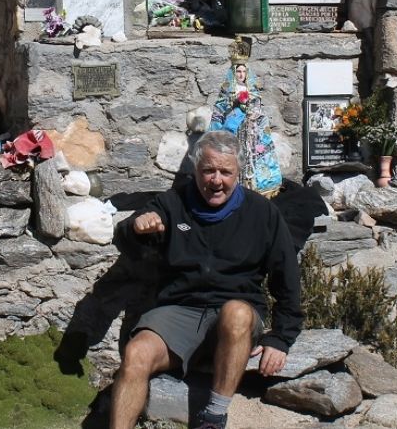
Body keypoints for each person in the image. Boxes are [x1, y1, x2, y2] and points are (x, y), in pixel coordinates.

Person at [110, 131, 303, 429]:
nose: (216, 180)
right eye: (208, 170)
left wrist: (281, 338)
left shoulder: (262, 212)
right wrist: (136, 227)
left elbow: (286, 276)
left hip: (236, 316)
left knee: (236, 313)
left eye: (225, 172)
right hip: (179, 310)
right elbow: (127, 240)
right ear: (195, 170)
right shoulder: (173, 203)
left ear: (238, 172)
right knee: (135, 354)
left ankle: (213, 417)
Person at [209, 40, 282, 198]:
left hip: (250, 133)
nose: (241, 75)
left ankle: (252, 188)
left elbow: (258, 111)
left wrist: (252, 113)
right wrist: (233, 108)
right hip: (233, 132)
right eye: (238, 72)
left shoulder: (253, 91)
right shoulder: (226, 92)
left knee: (251, 159)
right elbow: (219, 112)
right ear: (233, 73)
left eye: (243, 72)